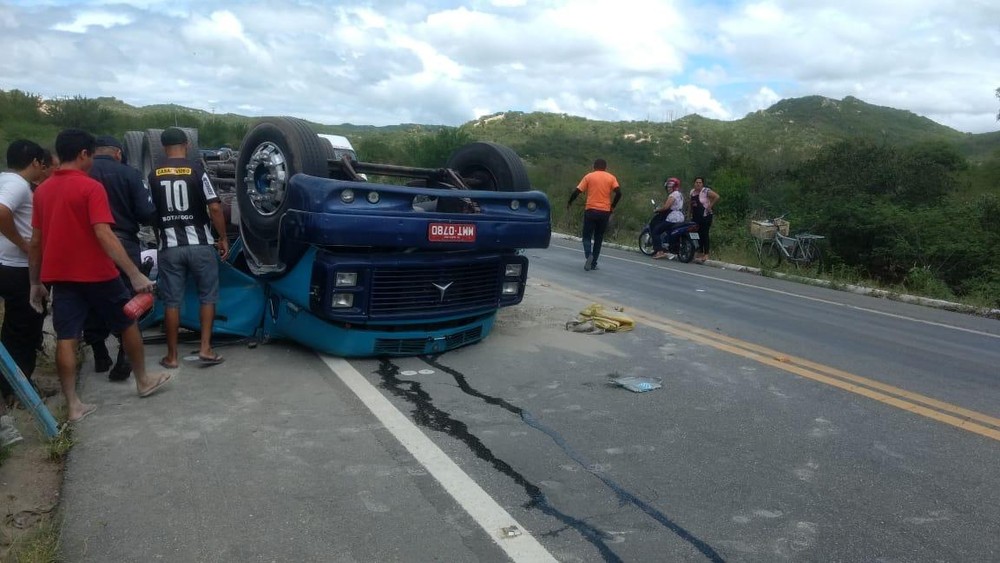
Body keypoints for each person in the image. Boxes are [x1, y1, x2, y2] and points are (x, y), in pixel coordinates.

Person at [29, 128, 172, 423]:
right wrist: (134, 274)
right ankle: (143, 380)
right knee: (127, 322)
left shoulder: (42, 190)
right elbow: (104, 233)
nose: (92, 161)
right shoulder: (90, 187)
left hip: (61, 276)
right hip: (98, 272)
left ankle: (73, 406)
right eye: (91, 155)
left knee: (67, 336)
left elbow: (35, 240)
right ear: (83, 154)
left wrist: (35, 282)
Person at [149, 127, 229, 369]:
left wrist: (159, 238)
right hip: (200, 245)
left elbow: (150, 212)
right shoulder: (197, 170)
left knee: (172, 302)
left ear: (163, 147)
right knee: (208, 296)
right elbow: (214, 207)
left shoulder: (153, 175)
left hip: (169, 247)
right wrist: (223, 237)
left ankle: (172, 357)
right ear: (187, 144)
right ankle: (205, 348)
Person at [83, 135, 156, 381]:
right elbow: (146, 212)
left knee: (89, 297)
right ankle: (125, 354)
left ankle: (99, 353)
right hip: (123, 242)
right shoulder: (129, 174)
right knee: (126, 299)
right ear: (118, 153)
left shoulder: (83, 173)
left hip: (88, 244)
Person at [0, 139, 47, 447]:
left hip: (8, 266)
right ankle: (19, 389)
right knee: (24, 329)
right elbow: (1, 213)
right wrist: (25, 245)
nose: (43, 169)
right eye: (41, 164)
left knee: (15, 329)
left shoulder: (6, 179)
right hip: (17, 269)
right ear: (33, 162)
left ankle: (18, 385)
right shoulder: (17, 184)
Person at [567, 158, 621, 271]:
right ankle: (593, 264)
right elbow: (619, 193)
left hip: (591, 210)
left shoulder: (589, 176)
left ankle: (588, 255)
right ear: (605, 167)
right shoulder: (611, 177)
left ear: (594, 166)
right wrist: (612, 207)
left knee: (586, 236)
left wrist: (570, 202)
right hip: (604, 212)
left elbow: (577, 191)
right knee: (598, 238)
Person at [651, 177, 686, 260]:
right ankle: (669, 247)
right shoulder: (679, 194)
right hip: (680, 216)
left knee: (656, 230)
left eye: (670, 187)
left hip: (673, 217)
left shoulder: (673, 195)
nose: (668, 188)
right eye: (668, 187)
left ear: (674, 187)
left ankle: (659, 251)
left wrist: (657, 210)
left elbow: (666, 207)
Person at [690, 177, 719, 263]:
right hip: (696, 216)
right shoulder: (692, 192)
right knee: (696, 234)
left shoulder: (706, 191)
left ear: (702, 184)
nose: (698, 184)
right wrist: (689, 213)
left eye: (700, 182)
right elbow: (691, 204)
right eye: (696, 182)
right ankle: (699, 251)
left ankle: (706, 253)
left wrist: (710, 206)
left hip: (705, 216)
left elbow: (716, 196)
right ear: (694, 183)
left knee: (704, 234)